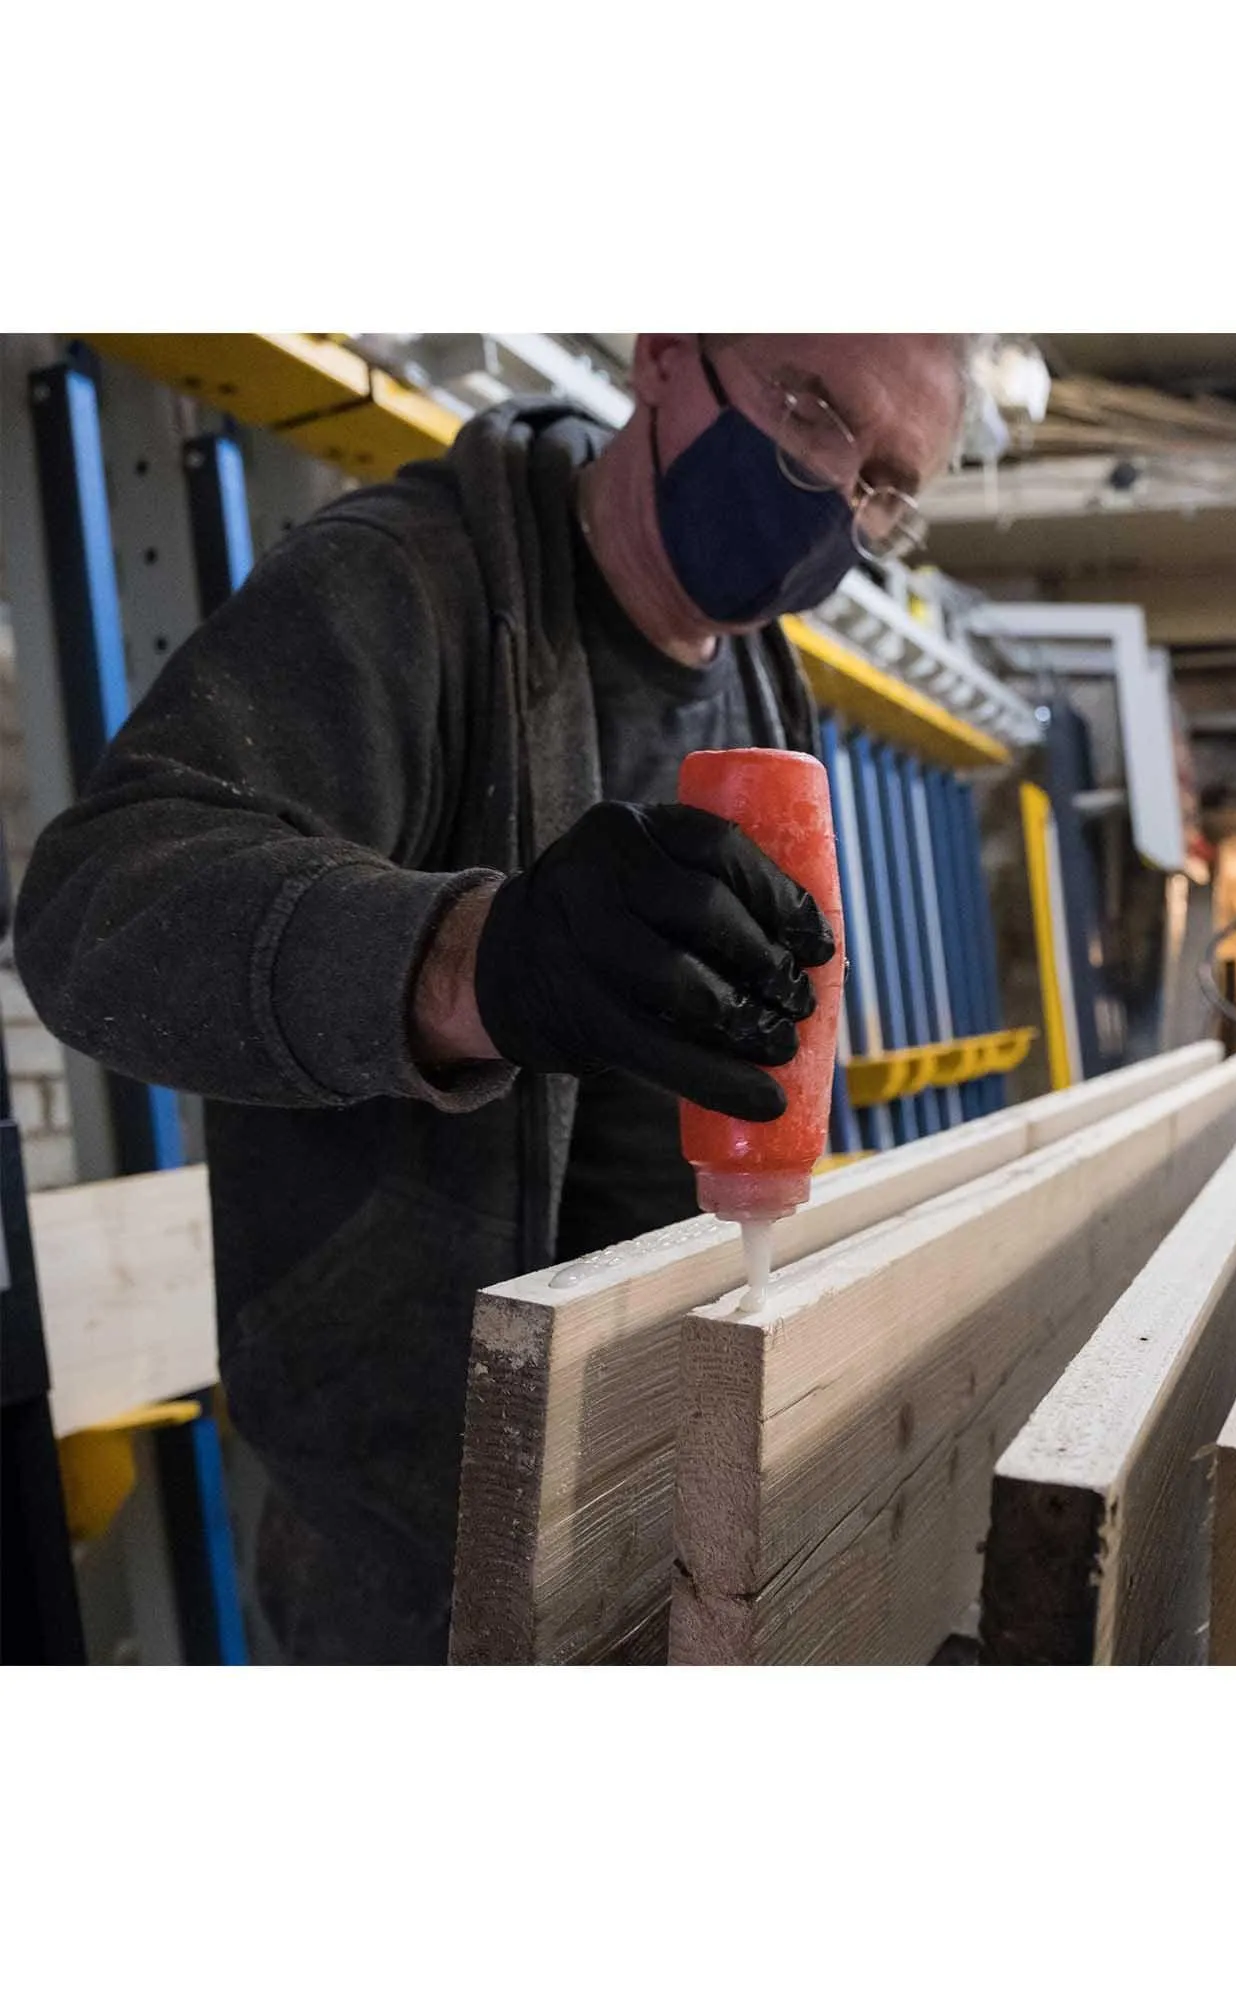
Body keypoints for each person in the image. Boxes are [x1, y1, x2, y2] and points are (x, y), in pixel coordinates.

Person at [14, 333, 972, 1663]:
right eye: (814, 412)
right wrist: (472, 960)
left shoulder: (762, 678)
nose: (831, 498)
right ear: (660, 357)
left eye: (882, 484)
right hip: (418, 1535)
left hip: (680, 1474)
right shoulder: (398, 590)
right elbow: (89, 914)